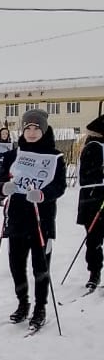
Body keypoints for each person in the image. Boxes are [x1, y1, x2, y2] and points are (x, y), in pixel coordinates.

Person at [0, 109, 67, 329]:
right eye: (28, 128)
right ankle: (22, 303)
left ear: (44, 131)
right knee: (16, 265)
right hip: (17, 218)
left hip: (41, 220)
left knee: (40, 266)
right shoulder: (12, 155)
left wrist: (44, 195)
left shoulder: (55, 157)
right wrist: (2, 188)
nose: (32, 132)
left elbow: (60, 186)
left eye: (37, 128)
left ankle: (40, 307)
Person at [76, 114, 104, 290]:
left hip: (94, 197)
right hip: (95, 198)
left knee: (94, 238)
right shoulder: (93, 146)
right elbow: (87, 175)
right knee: (94, 237)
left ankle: (95, 271)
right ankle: (94, 272)